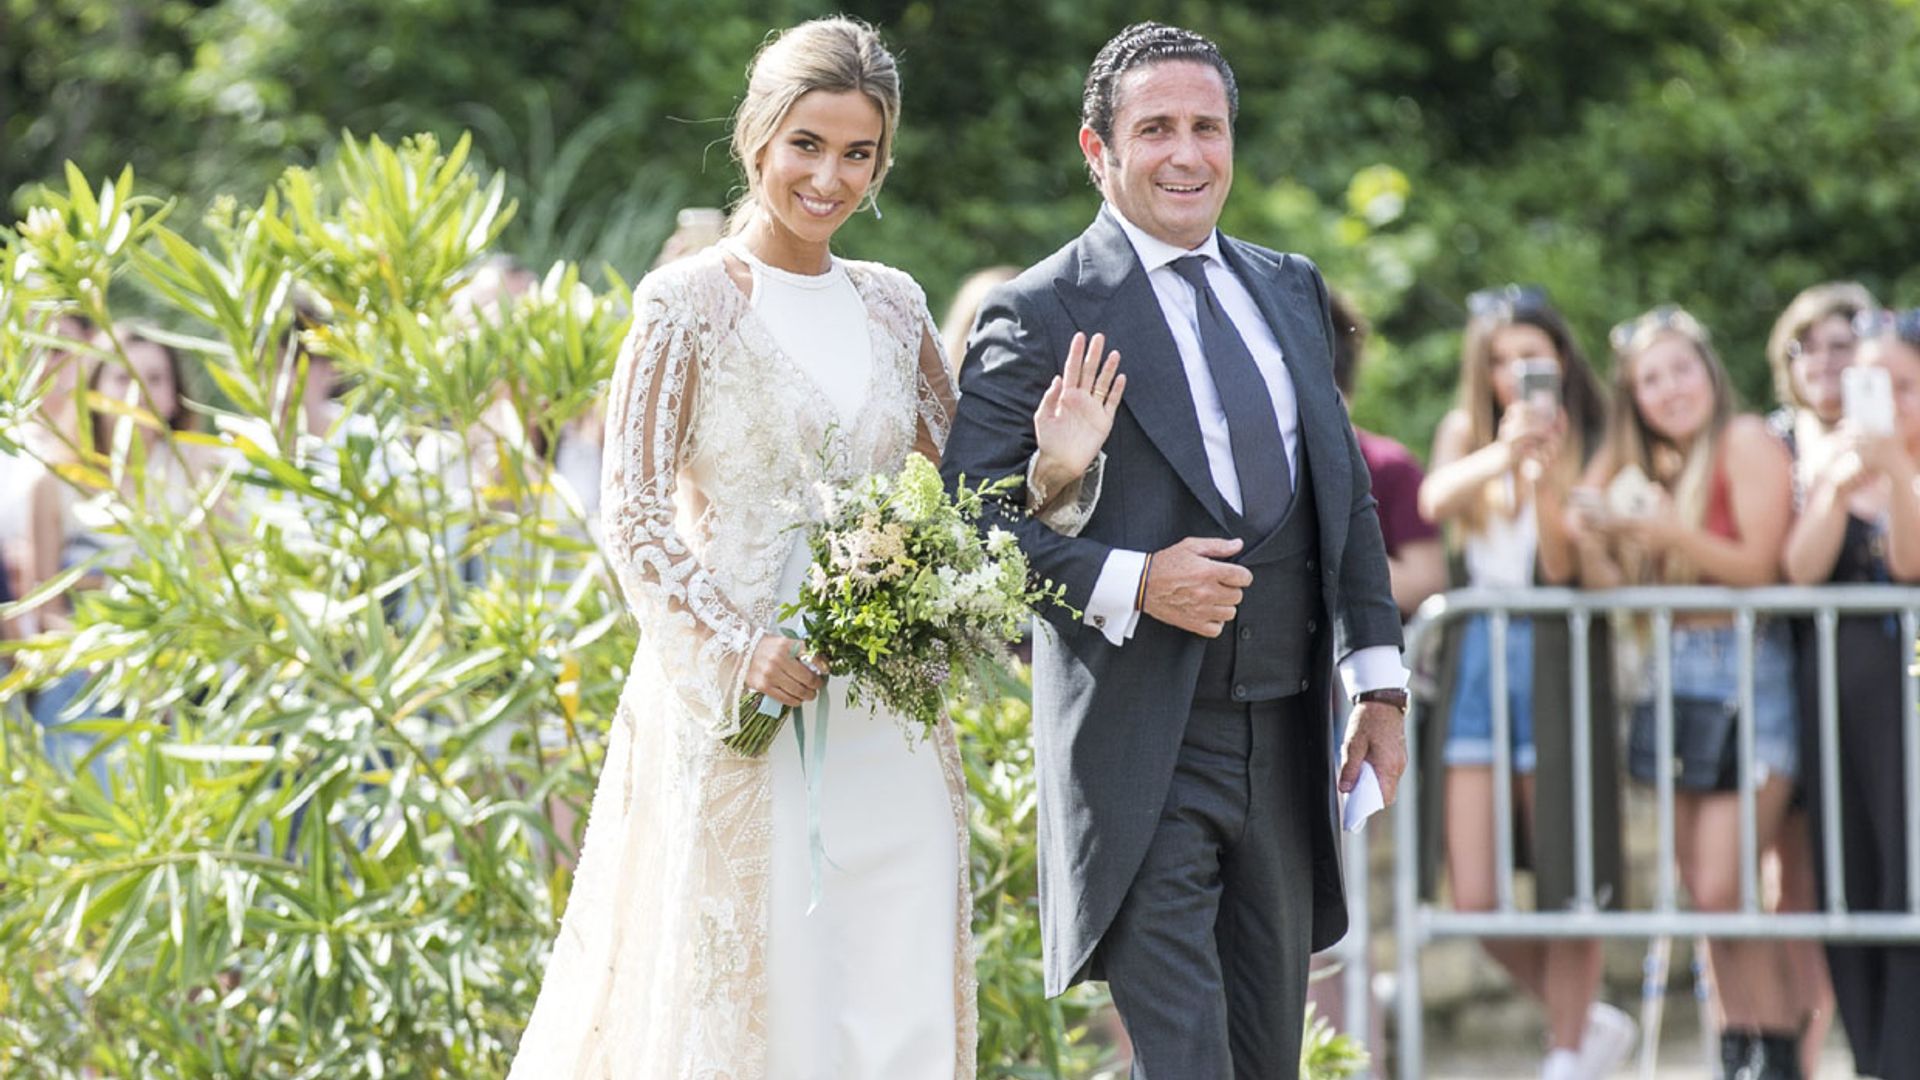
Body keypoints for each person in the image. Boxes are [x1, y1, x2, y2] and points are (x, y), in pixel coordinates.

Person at [508, 19, 1118, 1077]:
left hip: (888, 703)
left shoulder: (893, 304)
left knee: (891, 983)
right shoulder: (683, 303)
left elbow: (962, 494)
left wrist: (1058, 470)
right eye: (807, 145)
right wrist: (741, 649)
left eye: (857, 153)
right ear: (757, 138)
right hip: (743, 703)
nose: (829, 177)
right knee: (768, 993)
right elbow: (636, 511)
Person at [941, 23, 1407, 1077]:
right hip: (1143, 743)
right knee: (1188, 1060)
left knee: (1264, 1059)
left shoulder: (1289, 285)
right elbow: (965, 523)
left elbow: (1345, 492)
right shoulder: (1039, 309)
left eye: (1207, 126)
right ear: (1096, 150)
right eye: (1155, 129)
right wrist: (1133, 581)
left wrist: (1379, 685)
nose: (1187, 153)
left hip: (1289, 739)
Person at [1565, 305, 1803, 1078]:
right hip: (1679, 677)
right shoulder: (1662, 468)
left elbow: (1762, 568)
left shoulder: (1743, 441)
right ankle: (1740, 1051)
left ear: (1711, 370)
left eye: (1680, 369)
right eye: (1648, 379)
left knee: (1728, 884)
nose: (1669, 389)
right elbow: (1581, 522)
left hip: (1748, 673)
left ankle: (1775, 1051)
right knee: (1704, 892)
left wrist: (1671, 539)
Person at [1414, 285, 1631, 1079]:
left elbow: (1565, 561)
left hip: (1556, 654)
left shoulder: (1600, 432)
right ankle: (1586, 1021)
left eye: (1530, 357)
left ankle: (1568, 1050)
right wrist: (1508, 451)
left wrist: (1546, 472)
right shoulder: (1466, 431)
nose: (1516, 373)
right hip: (1476, 654)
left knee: (1566, 868)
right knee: (1473, 895)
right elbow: (1437, 499)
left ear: (1561, 357)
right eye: (1501, 361)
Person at [1782, 308, 1920, 1080]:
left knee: (1911, 877)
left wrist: (1898, 473)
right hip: (1838, 705)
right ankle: (1873, 1056)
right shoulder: (1828, 458)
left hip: (1909, 707)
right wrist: (1836, 488)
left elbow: (1908, 564)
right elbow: (1799, 569)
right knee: (1853, 878)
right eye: (1876, 384)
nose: (1890, 401)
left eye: (1905, 385)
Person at [1763, 281, 1876, 1076]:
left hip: (1869, 682)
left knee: (1859, 871)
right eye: (1808, 347)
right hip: (1784, 673)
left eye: (1842, 344)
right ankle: (1792, 1054)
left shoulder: (1893, 436)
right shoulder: (1774, 441)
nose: (1825, 362)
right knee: (1791, 883)